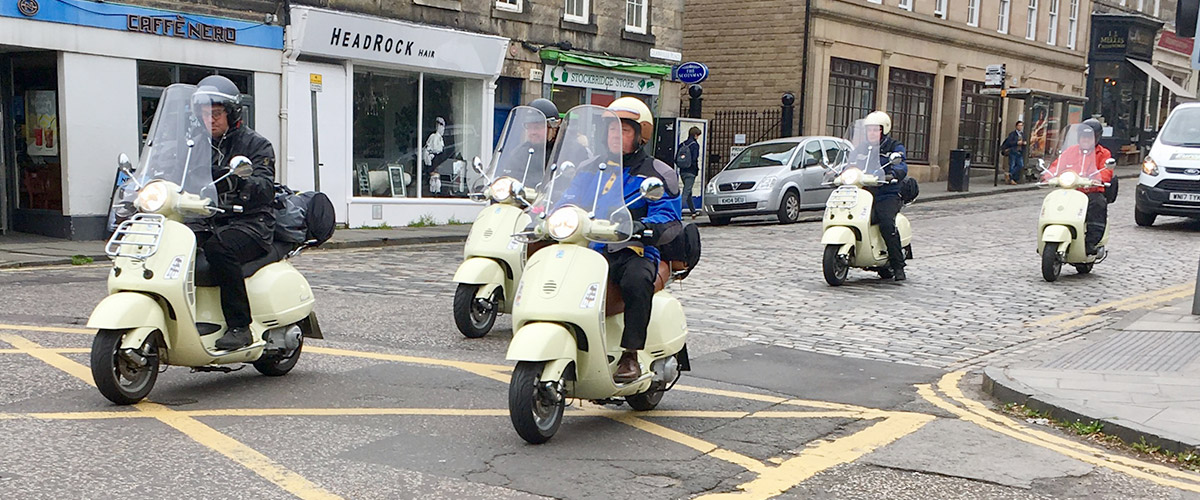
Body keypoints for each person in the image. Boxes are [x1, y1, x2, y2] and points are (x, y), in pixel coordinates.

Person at [190, 75, 278, 351]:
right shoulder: (193, 145)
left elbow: (265, 186)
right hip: (208, 218)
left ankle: (240, 326)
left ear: (232, 113)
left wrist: (240, 181)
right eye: (205, 114)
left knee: (220, 248)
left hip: (251, 221)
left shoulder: (255, 145)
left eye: (216, 113)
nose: (210, 120)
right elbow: (172, 170)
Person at [604, 97, 684, 383]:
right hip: (591, 248)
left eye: (623, 131)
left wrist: (643, 225)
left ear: (640, 136)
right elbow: (565, 197)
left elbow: (668, 216)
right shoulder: (592, 168)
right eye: (611, 130)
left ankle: (630, 355)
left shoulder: (657, 174)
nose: (615, 136)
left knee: (636, 282)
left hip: (633, 250)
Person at [849, 111, 909, 281]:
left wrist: (894, 173)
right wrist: (838, 172)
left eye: (876, 130)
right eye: (869, 130)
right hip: (864, 191)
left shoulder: (894, 147)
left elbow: (902, 164)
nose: (872, 133)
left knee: (885, 222)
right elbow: (850, 163)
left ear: (884, 130)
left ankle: (898, 265)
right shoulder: (861, 149)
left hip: (887, 192)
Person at [1045, 119, 1113, 255]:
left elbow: (1107, 170)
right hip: (1071, 190)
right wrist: (1048, 174)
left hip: (1091, 191)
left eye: (1089, 137)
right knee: (1053, 201)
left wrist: (1098, 178)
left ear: (1096, 137)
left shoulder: (1103, 153)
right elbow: (1057, 165)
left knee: (1098, 203)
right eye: (1083, 136)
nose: (1085, 140)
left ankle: (1091, 242)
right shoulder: (1071, 151)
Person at [677, 127, 702, 218]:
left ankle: (693, 211)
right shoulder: (695, 145)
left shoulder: (682, 144)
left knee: (688, 192)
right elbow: (695, 158)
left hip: (682, 171)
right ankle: (677, 212)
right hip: (691, 171)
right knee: (686, 192)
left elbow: (676, 158)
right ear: (695, 135)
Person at [1001, 120, 1026, 185]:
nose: (1020, 127)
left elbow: (1025, 141)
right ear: (1016, 126)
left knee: (1020, 165)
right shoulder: (1012, 134)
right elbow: (1009, 142)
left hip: (1019, 152)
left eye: (1021, 126)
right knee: (1012, 165)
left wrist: (1024, 143)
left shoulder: (1023, 134)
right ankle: (1011, 179)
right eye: (1019, 125)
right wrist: (1016, 143)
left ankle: (1009, 175)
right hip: (1013, 151)